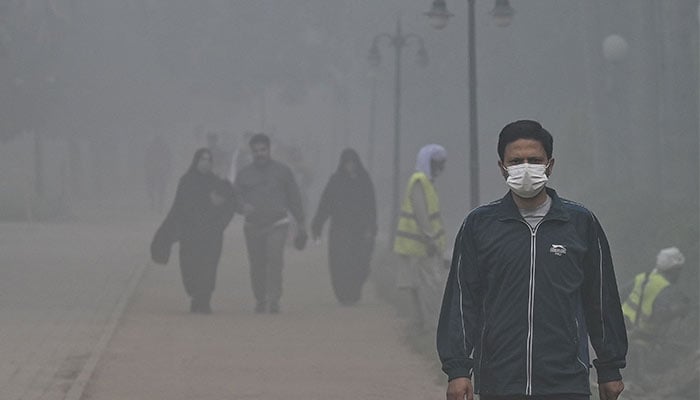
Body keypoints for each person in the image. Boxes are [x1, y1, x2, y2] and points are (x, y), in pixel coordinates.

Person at [437, 120, 627, 400]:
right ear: (502, 167)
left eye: (534, 160)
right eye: (516, 161)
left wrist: (610, 369)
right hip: (500, 379)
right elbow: (462, 301)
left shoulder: (580, 224)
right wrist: (458, 369)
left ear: (550, 165)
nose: (525, 167)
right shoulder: (480, 225)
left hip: (566, 380)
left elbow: (600, 299)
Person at [152, 148, 236, 314]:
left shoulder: (216, 183)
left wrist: (219, 225)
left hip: (211, 235)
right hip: (190, 234)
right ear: (196, 161)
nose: (205, 163)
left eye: (208, 160)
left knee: (208, 267)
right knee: (190, 267)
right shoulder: (186, 181)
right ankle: (195, 295)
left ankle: (203, 300)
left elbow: (228, 205)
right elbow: (177, 208)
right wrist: (166, 232)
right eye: (202, 159)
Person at [234, 133, 307, 314]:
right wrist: (242, 206)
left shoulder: (283, 172)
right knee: (257, 264)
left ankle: (274, 299)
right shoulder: (244, 174)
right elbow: (235, 198)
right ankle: (261, 299)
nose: (260, 153)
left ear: (269, 150)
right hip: (253, 226)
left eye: (263, 150)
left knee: (275, 260)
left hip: (278, 224)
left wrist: (301, 222)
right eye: (256, 151)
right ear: (252, 152)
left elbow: (294, 197)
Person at [393, 144, 448, 333]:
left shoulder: (425, 182)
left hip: (419, 244)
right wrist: (430, 239)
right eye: (436, 164)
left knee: (419, 285)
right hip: (418, 245)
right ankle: (429, 324)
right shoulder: (419, 181)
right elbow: (421, 213)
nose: (439, 168)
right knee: (427, 286)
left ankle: (423, 323)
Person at [311, 148, 377, 306]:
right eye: (347, 163)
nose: (350, 166)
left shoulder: (364, 180)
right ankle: (343, 294)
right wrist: (317, 225)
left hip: (360, 230)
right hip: (340, 230)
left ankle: (354, 291)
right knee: (340, 263)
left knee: (360, 263)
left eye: (353, 163)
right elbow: (325, 204)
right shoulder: (335, 181)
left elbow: (371, 207)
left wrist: (371, 228)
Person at [621, 247, 689, 378]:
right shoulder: (665, 288)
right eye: (678, 270)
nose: (679, 274)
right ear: (673, 270)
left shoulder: (642, 278)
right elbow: (660, 315)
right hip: (640, 342)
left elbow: (617, 295)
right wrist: (678, 310)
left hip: (620, 333)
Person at [144, 135, 172, 212]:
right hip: (158, 171)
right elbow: (169, 160)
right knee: (159, 189)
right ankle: (157, 204)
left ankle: (156, 204)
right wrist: (168, 170)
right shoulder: (163, 148)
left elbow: (147, 160)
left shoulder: (152, 148)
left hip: (156, 171)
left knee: (155, 188)